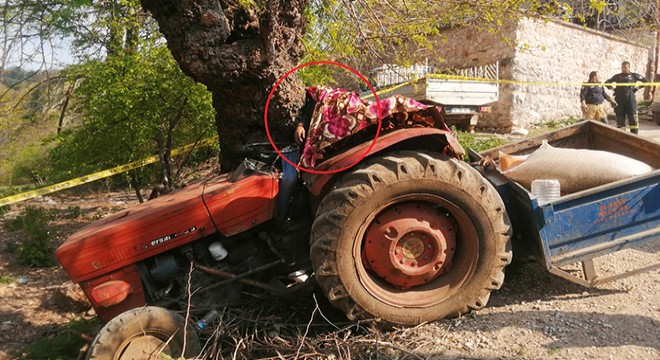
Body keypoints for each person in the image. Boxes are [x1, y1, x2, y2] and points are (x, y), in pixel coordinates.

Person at [605, 61, 648, 134]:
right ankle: (621, 135)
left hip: (630, 97)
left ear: (629, 67)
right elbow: (607, 83)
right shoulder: (617, 76)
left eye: (625, 67)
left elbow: (646, 82)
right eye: (622, 67)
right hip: (619, 98)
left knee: (632, 117)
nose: (623, 69)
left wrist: (636, 89)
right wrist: (614, 89)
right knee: (620, 117)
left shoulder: (634, 75)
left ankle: (634, 135)